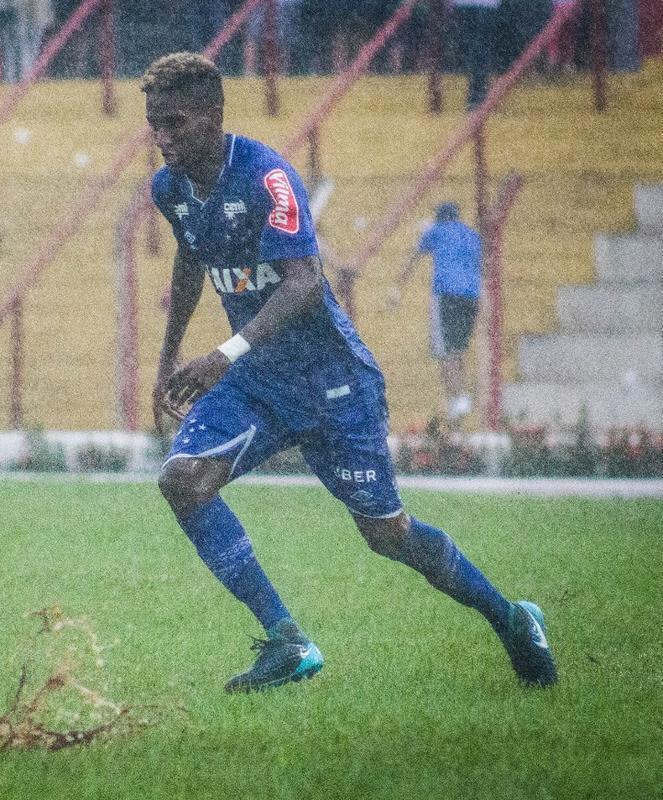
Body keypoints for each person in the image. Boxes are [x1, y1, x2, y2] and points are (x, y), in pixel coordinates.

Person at [143, 53, 556, 693]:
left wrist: (220, 354)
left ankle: (512, 618)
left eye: (175, 124)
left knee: (387, 535)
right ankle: (287, 641)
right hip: (260, 385)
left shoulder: (266, 178)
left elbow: (306, 284)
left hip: (334, 382)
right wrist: (169, 359)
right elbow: (191, 262)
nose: (164, 139)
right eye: (155, 127)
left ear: (214, 116)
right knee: (183, 479)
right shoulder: (170, 190)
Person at [390, 201, 482, 423]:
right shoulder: (471, 235)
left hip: (447, 294)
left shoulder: (437, 231)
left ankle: (454, 403)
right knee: (458, 348)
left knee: (444, 350)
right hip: (471, 296)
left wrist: (397, 287)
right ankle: (461, 399)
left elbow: (413, 257)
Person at [453, 0, 499, 108]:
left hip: (481, 5)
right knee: (477, 48)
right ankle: (478, 93)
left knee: (478, 48)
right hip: (472, 5)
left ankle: (477, 94)